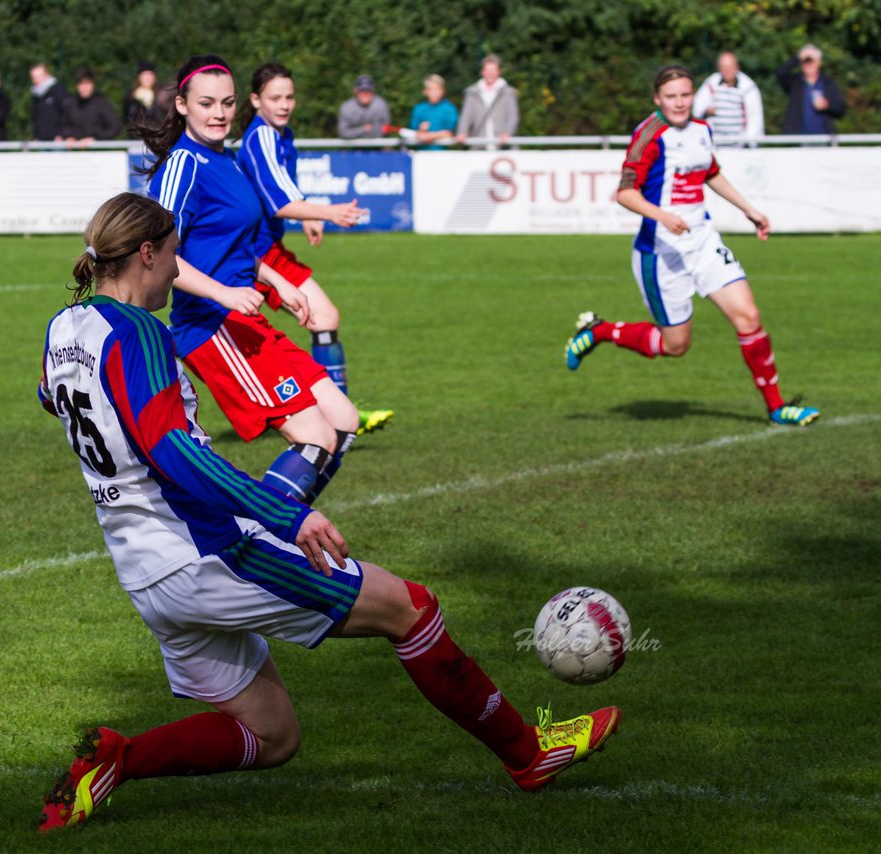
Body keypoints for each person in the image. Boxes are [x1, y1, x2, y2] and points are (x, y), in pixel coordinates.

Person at [35, 191, 621, 830]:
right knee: (411, 608)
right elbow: (174, 452)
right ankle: (527, 754)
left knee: (273, 735)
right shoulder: (140, 331)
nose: (178, 272)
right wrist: (288, 517)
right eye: (174, 255)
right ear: (147, 253)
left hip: (143, 571)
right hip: (207, 553)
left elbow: (53, 397)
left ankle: (117, 760)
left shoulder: (64, 327)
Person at [137, 55, 366, 504]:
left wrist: (277, 282)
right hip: (210, 326)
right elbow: (155, 255)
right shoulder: (184, 164)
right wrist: (223, 292)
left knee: (343, 422)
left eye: (227, 103)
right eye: (206, 103)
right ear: (182, 105)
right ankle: (260, 538)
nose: (219, 113)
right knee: (315, 437)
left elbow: (238, 244)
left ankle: (278, 533)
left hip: (244, 320)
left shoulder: (230, 161)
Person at [564, 65, 820, 427]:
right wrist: (662, 216)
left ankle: (778, 408)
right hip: (661, 254)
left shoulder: (701, 129)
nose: (680, 103)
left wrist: (749, 210)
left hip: (702, 242)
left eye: (685, 95)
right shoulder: (649, 135)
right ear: (657, 99)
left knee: (749, 317)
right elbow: (624, 193)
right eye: (671, 97)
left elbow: (710, 172)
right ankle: (599, 331)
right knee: (676, 346)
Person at [236, 62, 394, 436]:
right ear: (256, 100)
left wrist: (307, 214)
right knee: (218, 337)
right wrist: (328, 212)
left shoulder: (280, 134)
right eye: (275, 97)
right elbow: (277, 202)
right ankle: (338, 416)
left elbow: (282, 187)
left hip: (266, 250)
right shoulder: (260, 138)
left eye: (289, 97)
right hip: (248, 256)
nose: (285, 104)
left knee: (324, 316)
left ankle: (340, 416)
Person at [692, 52, 764, 145]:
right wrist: (706, 110)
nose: (727, 70)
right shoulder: (711, 83)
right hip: (714, 142)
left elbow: (755, 118)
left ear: (737, 67)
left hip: (739, 144)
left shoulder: (748, 87)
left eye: (730, 66)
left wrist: (749, 142)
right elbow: (697, 110)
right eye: (723, 67)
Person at [776, 45, 847, 135]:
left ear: (819, 63)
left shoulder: (828, 83)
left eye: (811, 61)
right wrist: (798, 57)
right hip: (798, 139)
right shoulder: (795, 82)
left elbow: (841, 109)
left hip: (823, 139)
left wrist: (827, 106)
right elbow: (780, 73)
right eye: (805, 61)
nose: (808, 64)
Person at [455, 55, 519, 149]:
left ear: (498, 72)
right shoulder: (472, 93)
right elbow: (466, 116)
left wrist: (507, 132)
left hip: (503, 146)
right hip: (479, 145)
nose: (490, 73)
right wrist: (462, 132)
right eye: (488, 70)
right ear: (482, 72)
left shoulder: (508, 92)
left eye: (493, 70)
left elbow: (513, 116)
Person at [61, 67, 122, 145]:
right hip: (74, 152)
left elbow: (115, 127)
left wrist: (96, 139)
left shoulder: (101, 103)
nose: (84, 87)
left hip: (97, 152)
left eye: (88, 83)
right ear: (77, 86)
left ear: (93, 84)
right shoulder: (70, 103)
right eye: (81, 84)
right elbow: (63, 126)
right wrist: (68, 137)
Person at [406, 74, 458, 149]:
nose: (434, 93)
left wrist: (428, 136)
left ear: (443, 91)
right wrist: (421, 129)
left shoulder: (449, 109)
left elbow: (449, 133)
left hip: (441, 154)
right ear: (425, 91)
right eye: (431, 89)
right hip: (421, 154)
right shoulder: (419, 108)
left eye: (437, 89)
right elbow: (414, 132)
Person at [337, 75, 391, 139]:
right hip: (353, 146)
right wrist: (363, 129)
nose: (365, 93)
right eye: (362, 90)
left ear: (373, 90)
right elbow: (343, 132)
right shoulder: (347, 107)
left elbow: (386, 129)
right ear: (355, 91)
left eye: (368, 90)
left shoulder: (381, 105)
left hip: (378, 145)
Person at [124, 61, 166, 133]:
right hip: (137, 137)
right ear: (139, 77)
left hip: (160, 135)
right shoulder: (131, 96)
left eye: (150, 75)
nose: (147, 78)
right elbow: (127, 118)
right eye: (144, 75)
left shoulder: (163, 94)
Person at [29, 63, 68, 141]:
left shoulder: (58, 89)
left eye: (39, 76)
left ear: (46, 74)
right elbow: (35, 117)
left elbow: (66, 113)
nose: (37, 79)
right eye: (34, 77)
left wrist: (61, 134)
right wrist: (36, 135)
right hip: (42, 140)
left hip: (57, 140)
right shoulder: (36, 94)